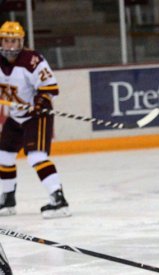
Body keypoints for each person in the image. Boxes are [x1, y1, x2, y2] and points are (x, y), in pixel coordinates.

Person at [0, 21, 70, 219]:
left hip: (37, 116)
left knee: (35, 157)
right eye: (6, 41)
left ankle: (59, 199)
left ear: (21, 41)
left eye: (14, 41)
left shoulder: (32, 60)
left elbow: (51, 87)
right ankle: (8, 199)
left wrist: (39, 102)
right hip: (15, 115)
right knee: (3, 156)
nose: (10, 45)